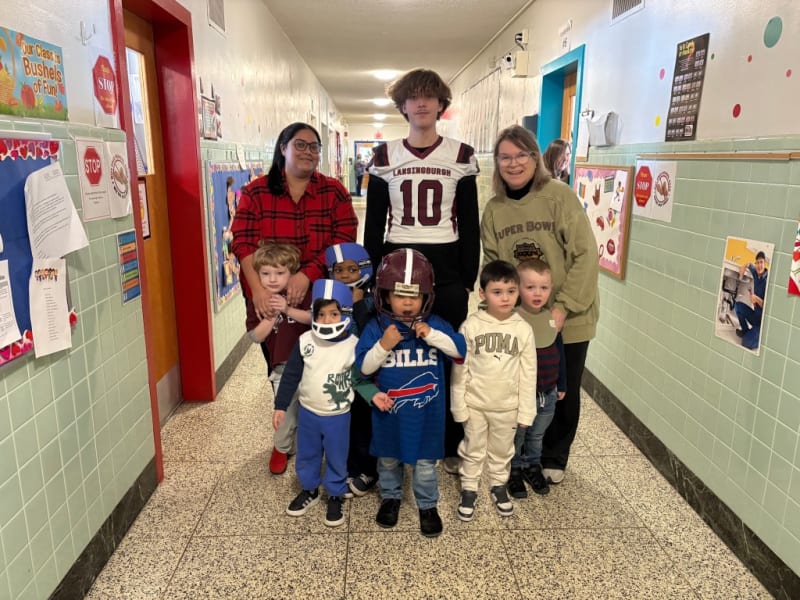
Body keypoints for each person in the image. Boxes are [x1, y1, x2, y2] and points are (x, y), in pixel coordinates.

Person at [364, 67, 480, 474]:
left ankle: (446, 442)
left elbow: (469, 219)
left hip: (446, 264)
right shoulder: (384, 156)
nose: (422, 102)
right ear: (402, 106)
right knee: (396, 351)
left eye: (430, 95)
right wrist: (370, 274)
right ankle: (391, 439)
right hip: (397, 258)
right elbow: (374, 221)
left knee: (446, 353)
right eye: (414, 96)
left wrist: (468, 276)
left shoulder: (461, 155)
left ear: (442, 104)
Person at [232, 122, 358, 473]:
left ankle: (317, 430)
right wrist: (257, 286)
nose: (308, 152)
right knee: (282, 368)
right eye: (300, 145)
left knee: (324, 366)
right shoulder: (256, 193)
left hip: (319, 297)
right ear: (283, 147)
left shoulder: (333, 192)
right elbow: (241, 241)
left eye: (314, 147)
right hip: (268, 296)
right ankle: (283, 437)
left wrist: (308, 273)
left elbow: (343, 240)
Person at [480, 124, 599, 486]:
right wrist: (498, 309)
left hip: (568, 316)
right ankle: (521, 454)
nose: (513, 164)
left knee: (561, 387)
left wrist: (562, 307)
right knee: (522, 388)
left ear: (535, 157)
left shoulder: (558, 196)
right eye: (505, 157)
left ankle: (553, 454)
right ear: (497, 163)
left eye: (521, 155)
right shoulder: (495, 209)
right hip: (519, 318)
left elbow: (586, 254)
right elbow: (491, 264)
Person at [355, 248, 466, 537]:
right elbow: (363, 369)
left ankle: (427, 504)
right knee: (388, 460)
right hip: (389, 415)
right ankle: (391, 497)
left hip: (428, 416)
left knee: (426, 465)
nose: (406, 302)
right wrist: (384, 345)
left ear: (426, 297)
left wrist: (432, 335)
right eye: (399, 295)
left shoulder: (436, 325)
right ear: (385, 295)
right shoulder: (375, 328)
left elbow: (460, 351)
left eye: (414, 296)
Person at [450, 260, 536, 521]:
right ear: (483, 294)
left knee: (502, 451)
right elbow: (460, 370)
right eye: (497, 292)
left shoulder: (523, 329)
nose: (505, 298)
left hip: (507, 407)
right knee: (472, 448)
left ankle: (499, 485)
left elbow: (528, 373)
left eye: (511, 291)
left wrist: (526, 411)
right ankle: (469, 487)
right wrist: (459, 406)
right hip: (475, 404)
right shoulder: (471, 327)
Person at [273, 279, 359, 527]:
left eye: (334, 313)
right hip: (308, 412)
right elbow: (290, 376)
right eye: (321, 314)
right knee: (307, 454)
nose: (328, 320)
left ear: (345, 313)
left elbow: (363, 376)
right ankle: (309, 489)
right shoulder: (305, 341)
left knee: (336, 455)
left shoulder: (353, 344)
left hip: (339, 414)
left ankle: (335, 493)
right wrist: (280, 406)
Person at [245, 243, 312, 474]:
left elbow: (313, 319)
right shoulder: (260, 301)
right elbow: (255, 336)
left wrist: (287, 309)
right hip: (282, 367)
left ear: (291, 272)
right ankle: (281, 448)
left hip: (309, 365)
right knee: (284, 412)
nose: (272, 279)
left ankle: (306, 448)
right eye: (265, 274)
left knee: (308, 410)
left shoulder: (300, 294)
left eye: (280, 273)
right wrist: (271, 316)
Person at [508, 258, 567, 498]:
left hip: (547, 392)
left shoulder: (552, 319)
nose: (537, 293)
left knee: (537, 434)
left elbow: (559, 350)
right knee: (517, 434)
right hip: (520, 393)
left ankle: (532, 465)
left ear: (551, 289)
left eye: (543, 287)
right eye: (530, 287)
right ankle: (513, 469)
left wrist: (561, 383)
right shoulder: (511, 319)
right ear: (518, 288)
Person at [323, 242, 378, 497]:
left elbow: (369, 334)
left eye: (352, 269)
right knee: (344, 423)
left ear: (364, 270)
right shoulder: (327, 302)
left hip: (364, 377)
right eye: (339, 270)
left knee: (363, 425)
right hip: (339, 375)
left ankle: (367, 469)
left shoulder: (371, 300)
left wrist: (357, 304)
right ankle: (347, 465)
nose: (345, 275)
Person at [735, 251, 768, 346]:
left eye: (761, 262)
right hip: (755, 315)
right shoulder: (756, 272)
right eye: (757, 262)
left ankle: (753, 336)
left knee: (745, 343)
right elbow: (748, 264)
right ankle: (746, 332)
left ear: (764, 263)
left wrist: (757, 299)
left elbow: (769, 308)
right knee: (737, 306)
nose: (759, 265)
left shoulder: (768, 281)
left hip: (762, 323)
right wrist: (742, 268)